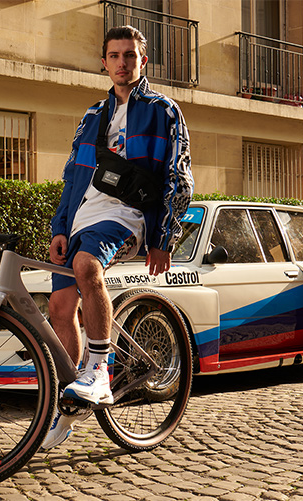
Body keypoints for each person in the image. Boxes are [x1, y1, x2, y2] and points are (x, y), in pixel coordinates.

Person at [41, 25, 193, 450]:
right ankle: (71, 402)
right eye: (114, 55)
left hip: (128, 215)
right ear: (104, 62)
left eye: (130, 55)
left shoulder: (163, 110)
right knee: (59, 306)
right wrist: (59, 227)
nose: (122, 63)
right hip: (82, 217)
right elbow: (72, 176)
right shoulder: (92, 115)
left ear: (143, 61)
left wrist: (164, 236)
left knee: (86, 266)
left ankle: (99, 370)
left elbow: (178, 176)